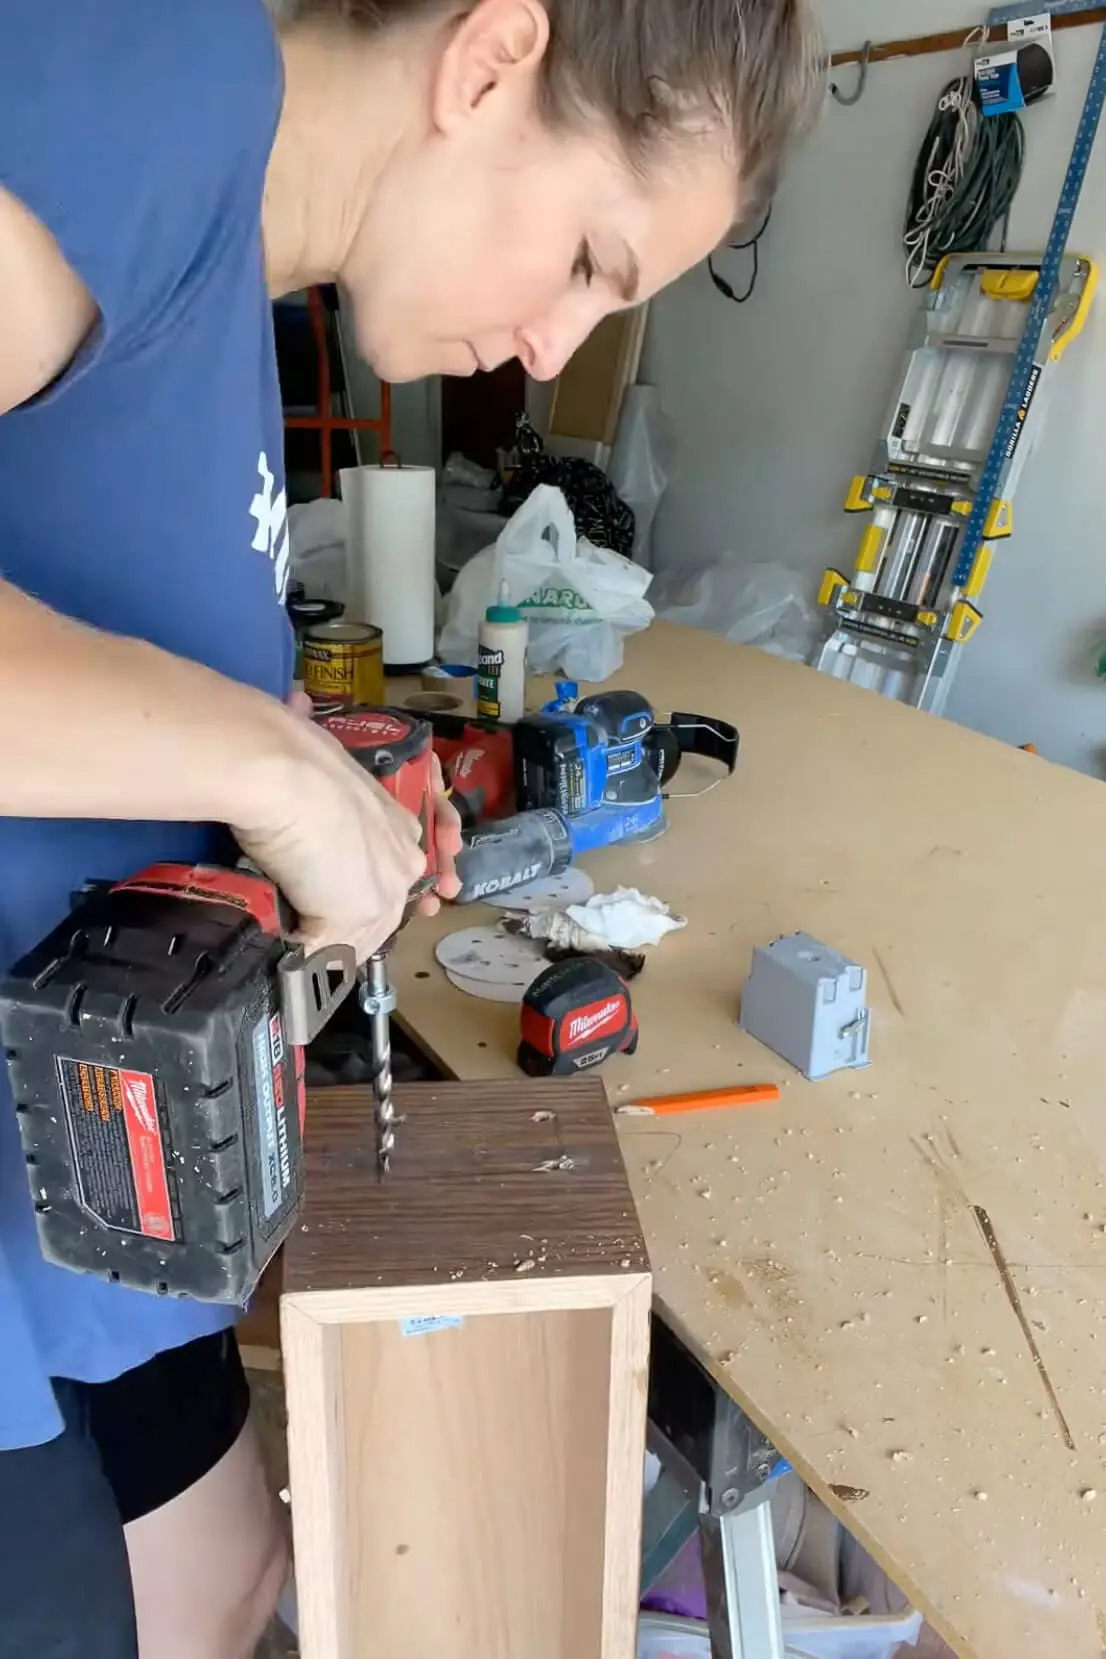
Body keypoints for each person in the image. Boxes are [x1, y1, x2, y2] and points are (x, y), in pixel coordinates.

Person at [0, 1, 821, 1655]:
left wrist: (300, 760)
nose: (550, 344)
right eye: (590, 256)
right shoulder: (150, 77)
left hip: (80, 1170)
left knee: (229, 1574)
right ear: (489, 57)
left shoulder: (229, 264)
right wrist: (268, 769)